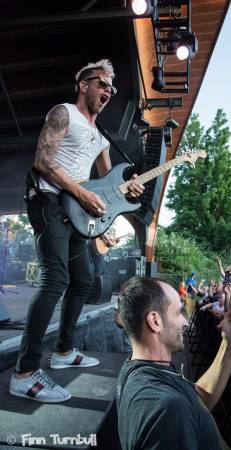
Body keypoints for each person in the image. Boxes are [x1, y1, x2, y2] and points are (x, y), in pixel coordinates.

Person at [9, 59, 144, 403]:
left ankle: (64, 351)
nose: (109, 92)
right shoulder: (64, 113)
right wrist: (80, 192)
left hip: (78, 215)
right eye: (103, 84)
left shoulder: (101, 137)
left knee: (82, 279)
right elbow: (43, 160)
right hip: (50, 201)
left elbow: (109, 186)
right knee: (56, 279)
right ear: (84, 85)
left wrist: (129, 192)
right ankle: (24, 373)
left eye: (112, 88)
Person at [117, 276, 231, 450]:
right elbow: (178, 407)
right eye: (179, 313)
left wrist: (229, 344)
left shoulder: (140, 370)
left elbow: (198, 400)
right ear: (155, 321)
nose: (186, 322)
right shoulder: (166, 408)